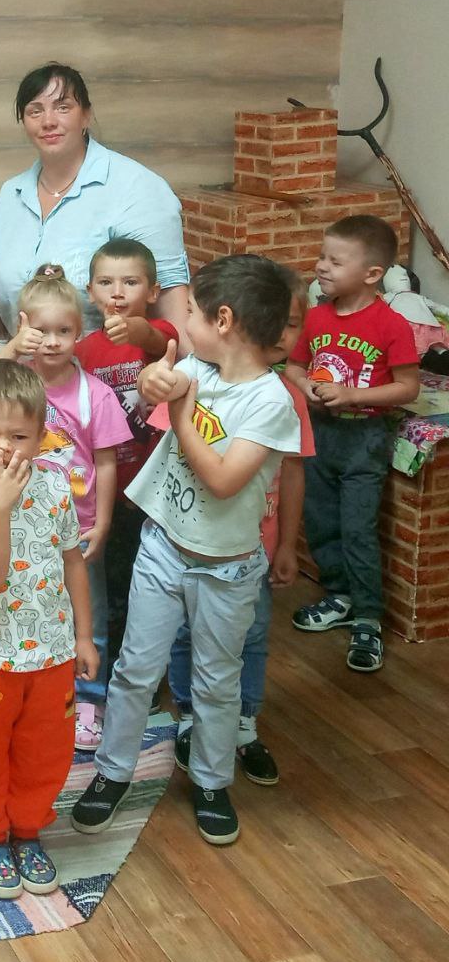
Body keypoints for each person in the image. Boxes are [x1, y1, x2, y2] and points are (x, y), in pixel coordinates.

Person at [72, 255, 300, 846]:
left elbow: (223, 480)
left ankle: (210, 782)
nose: (185, 322)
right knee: (134, 670)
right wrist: (156, 380)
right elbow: (165, 377)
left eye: (192, 312)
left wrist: (180, 414)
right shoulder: (198, 365)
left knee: (216, 682)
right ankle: (113, 773)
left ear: (223, 320)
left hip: (228, 570)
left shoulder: (270, 401)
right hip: (162, 550)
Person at [0, 360, 98, 899]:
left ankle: (28, 831)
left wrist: (83, 636)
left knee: (45, 751)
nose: (3, 448)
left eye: (19, 436)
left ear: (41, 436)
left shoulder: (55, 486)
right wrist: (0, 509)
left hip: (52, 653)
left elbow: (73, 562)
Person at [168, 265, 311, 788]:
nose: (282, 335)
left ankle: (243, 725)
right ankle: (191, 718)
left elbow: (292, 474)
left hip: (253, 548)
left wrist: (287, 545)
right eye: (278, 322)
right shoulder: (202, 375)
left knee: (249, 638)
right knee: (186, 634)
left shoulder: (283, 399)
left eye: (294, 325)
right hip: (194, 540)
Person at [286, 216, 419, 673]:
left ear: (372, 273)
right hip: (321, 433)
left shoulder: (391, 324)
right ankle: (338, 596)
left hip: (365, 438)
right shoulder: (316, 317)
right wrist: (306, 387)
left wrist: (353, 395)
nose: (321, 266)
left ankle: (367, 618)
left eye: (335, 261)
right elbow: (294, 367)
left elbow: (408, 388)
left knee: (357, 528)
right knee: (320, 520)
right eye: (322, 257)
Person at [8, 266, 130, 750]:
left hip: (78, 529)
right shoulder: (15, 383)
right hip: (22, 524)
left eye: (64, 330)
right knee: (29, 610)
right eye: (42, 330)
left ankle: (89, 701)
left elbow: (106, 463)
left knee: (88, 617)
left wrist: (104, 522)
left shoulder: (96, 395)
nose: (54, 341)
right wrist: (14, 346)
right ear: (24, 327)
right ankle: (34, 695)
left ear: (79, 332)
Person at [0, 62, 189, 339]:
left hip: (110, 366)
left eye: (63, 107)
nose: (48, 121)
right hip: (18, 365)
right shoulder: (10, 196)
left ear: (86, 116)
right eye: (35, 111)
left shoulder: (138, 189)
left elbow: (173, 318)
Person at [74, 238, 176, 679]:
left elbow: (155, 337)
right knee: (113, 581)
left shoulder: (160, 335)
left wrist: (134, 330)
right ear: (90, 290)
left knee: (151, 584)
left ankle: (151, 669)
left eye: (130, 282)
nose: (117, 292)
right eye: (106, 282)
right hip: (105, 490)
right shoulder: (82, 351)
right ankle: (115, 668)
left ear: (152, 291)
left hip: (153, 487)